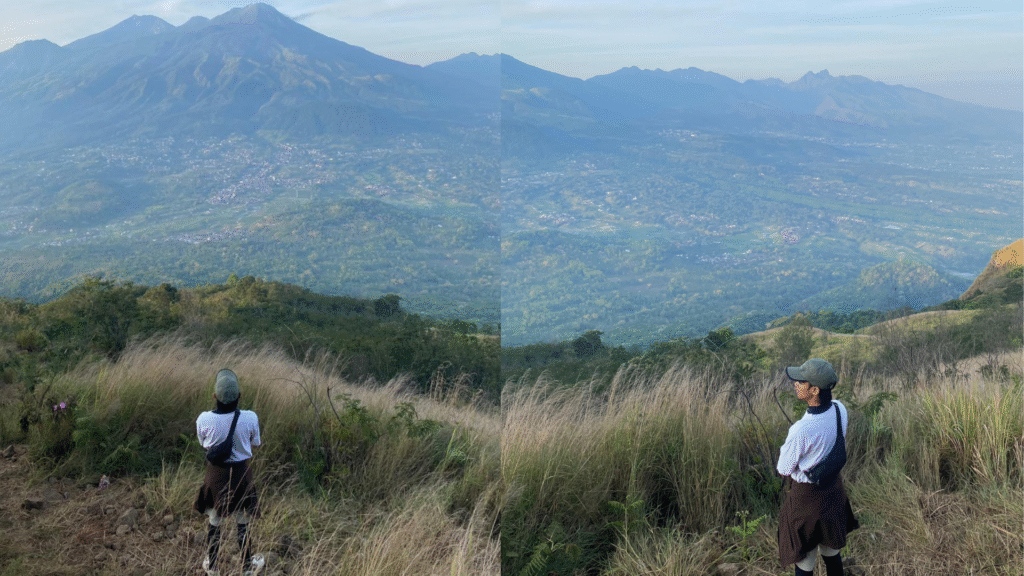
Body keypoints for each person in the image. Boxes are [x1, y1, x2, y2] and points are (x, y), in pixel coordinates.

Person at [777, 358, 859, 576]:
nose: (795, 384)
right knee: (832, 552)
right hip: (833, 491)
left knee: (805, 562)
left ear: (814, 390)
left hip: (807, 500)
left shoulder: (802, 429)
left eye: (801, 381)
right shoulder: (840, 409)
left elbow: (784, 469)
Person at [194, 368, 265, 576]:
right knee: (243, 523)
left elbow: (204, 445)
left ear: (214, 396)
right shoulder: (250, 417)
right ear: (239, 396)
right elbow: (256, 443)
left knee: (215, 521)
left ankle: (213, 568)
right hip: (242, 475)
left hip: (216, 476)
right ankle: (247, 568)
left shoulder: (204, 419)